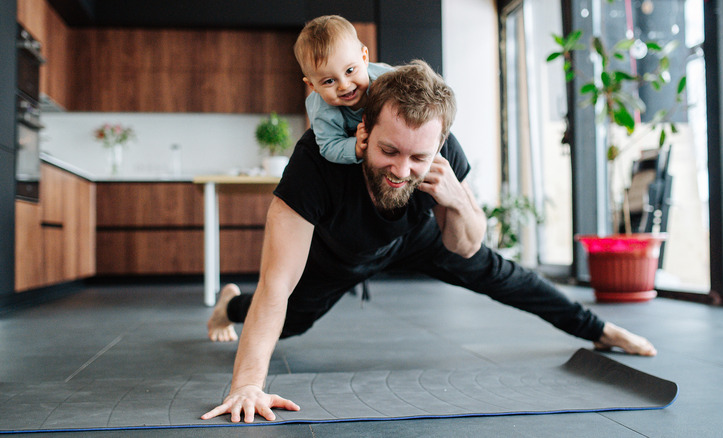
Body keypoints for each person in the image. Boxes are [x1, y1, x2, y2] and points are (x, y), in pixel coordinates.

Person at [202, 60, 657, 424]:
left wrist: (458, 199)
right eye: (388, 151)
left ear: (439, 146)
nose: (402, 170)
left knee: (502, 274)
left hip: (416, 237)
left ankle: (599, 330)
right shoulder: (314, 163)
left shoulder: (445, 157)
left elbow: (467, 247)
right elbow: (276, 284)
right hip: (340, 252)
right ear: (362, 132)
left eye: (419, 157)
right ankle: (228, 306)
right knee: (292, 321)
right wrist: (246, 384)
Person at [294, 14, 393, 164]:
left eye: (350, 70)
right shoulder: (323, 110)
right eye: (329, 81)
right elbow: (329, 145)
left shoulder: (388, 81)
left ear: (364, 58)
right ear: (313, 86)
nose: (344, 85)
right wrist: (355, 147)